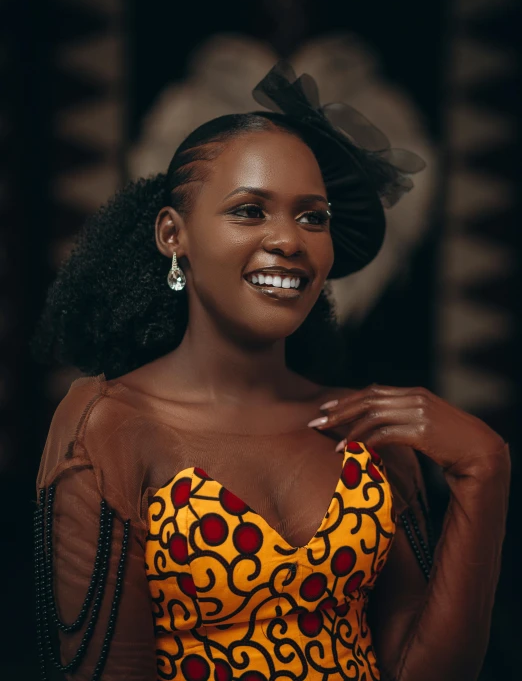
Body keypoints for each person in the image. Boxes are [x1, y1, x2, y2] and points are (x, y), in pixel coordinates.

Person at [32, 62, 510, 681]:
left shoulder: (369, 431)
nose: (289, 239)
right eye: (250, 211)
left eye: (313, 217)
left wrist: (484, 470)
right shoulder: (108, 426)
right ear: (173, 234)